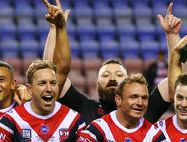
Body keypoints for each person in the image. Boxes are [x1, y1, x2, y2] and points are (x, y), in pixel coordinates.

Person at [43, 1, 180, 125]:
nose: (113, 78)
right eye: (106, 75)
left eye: (119, 75)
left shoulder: (143, 109)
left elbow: (177, 84)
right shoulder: (83, 107)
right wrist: (54, 28)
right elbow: (49, 75)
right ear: (96, 84)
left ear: (128, 82)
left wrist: (172, 35)